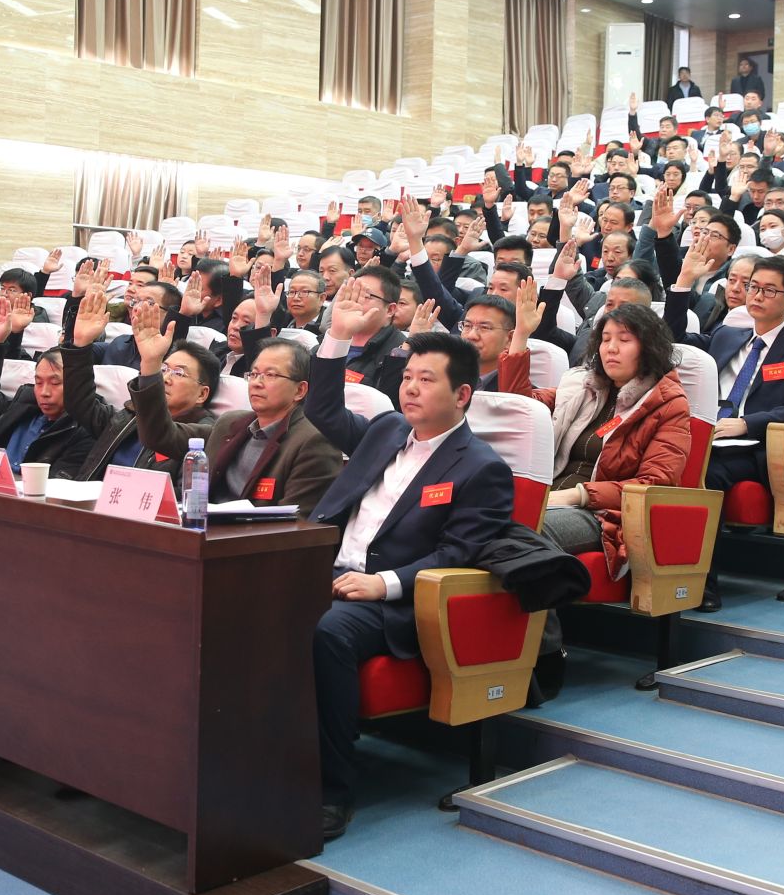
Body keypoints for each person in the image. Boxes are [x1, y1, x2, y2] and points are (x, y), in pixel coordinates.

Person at [307, 281, 516, 840]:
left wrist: (384, 584)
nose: (411, 389)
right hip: (327, 570)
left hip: (394, 601)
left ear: (463, 394)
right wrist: (337, 336)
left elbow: (459, 554)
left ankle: (332, 790)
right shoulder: (386, 429)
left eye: (427, 380)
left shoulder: (481, 467)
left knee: (328, 632)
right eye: (407, 378)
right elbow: (322, 408)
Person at [500, 285, 691, 581]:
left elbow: (654, 484)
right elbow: (521, 408)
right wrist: (521, 336)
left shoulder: (668, 404)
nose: (611, 348)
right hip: (550, 497)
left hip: (603, 516)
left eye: (624, 340)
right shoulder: (583, 386)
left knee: (521, 530)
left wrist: (578, 495)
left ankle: (540, 610)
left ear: (649, 347)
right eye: (605, 339)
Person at [701, 255, 784, 552]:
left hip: (757, 447)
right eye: (753, 287)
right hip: (710, 435)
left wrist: (747, 424)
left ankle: (702, 574)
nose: (757, 296)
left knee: (705, 471)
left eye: (769, 290)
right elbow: (675, 343)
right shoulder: (725, 336)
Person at [144, 335, 341, 510]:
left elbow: (297, 526)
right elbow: (160, 435)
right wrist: (151, 365)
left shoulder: (314, 441)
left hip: (252, 538)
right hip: (204, 530)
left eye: (270, 375)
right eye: (254, 374)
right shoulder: (231, 423)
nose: (256, 383)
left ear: (300, 390)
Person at [63, 289, 217, 483]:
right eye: (163, 369)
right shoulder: (129, 417)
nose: (165, 378)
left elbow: (182, 493)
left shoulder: (204, 435)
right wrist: (81, 344)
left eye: (178, 373)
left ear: (202, 394)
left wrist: (151, 364)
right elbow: (79, 403)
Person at [0, 299, 89, 474]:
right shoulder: (26, 403)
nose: (44, 392)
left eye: (55, 383)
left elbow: (59, 484)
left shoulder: (85, 430)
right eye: (39, 382)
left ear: (77, 384)